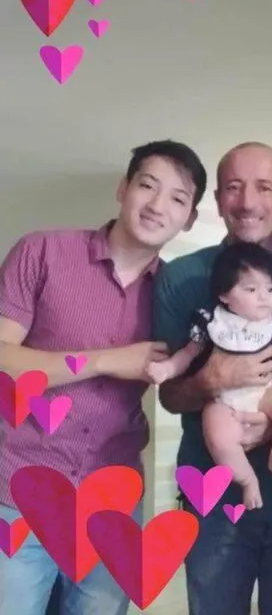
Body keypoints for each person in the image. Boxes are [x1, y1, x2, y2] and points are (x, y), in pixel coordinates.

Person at [0, 140, 207, 615]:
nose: (157, 205)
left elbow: (190, 382)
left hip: (112, 498)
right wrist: (108, 360)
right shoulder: (43, 251)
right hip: (19, 489)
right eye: (147, 185)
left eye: (178, 198)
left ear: (189, 218)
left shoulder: (177, 294)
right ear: (123, 188)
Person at [153, 142, 272, 615]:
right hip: (212, 491)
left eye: (264, 188)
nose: (248, 201)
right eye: (234, 188)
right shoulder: (182, 278)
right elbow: (170, 396)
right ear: (218, 201)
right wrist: (209, 382)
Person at [148, 241, 272, 508]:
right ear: (224, 295)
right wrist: (165, 369)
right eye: (251, 289)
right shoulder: (212, 323)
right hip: (224, 402)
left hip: (266, 395)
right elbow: (186, 355)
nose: (264, 297)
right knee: (217, 431)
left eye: (271, 289)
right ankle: (247, 480)